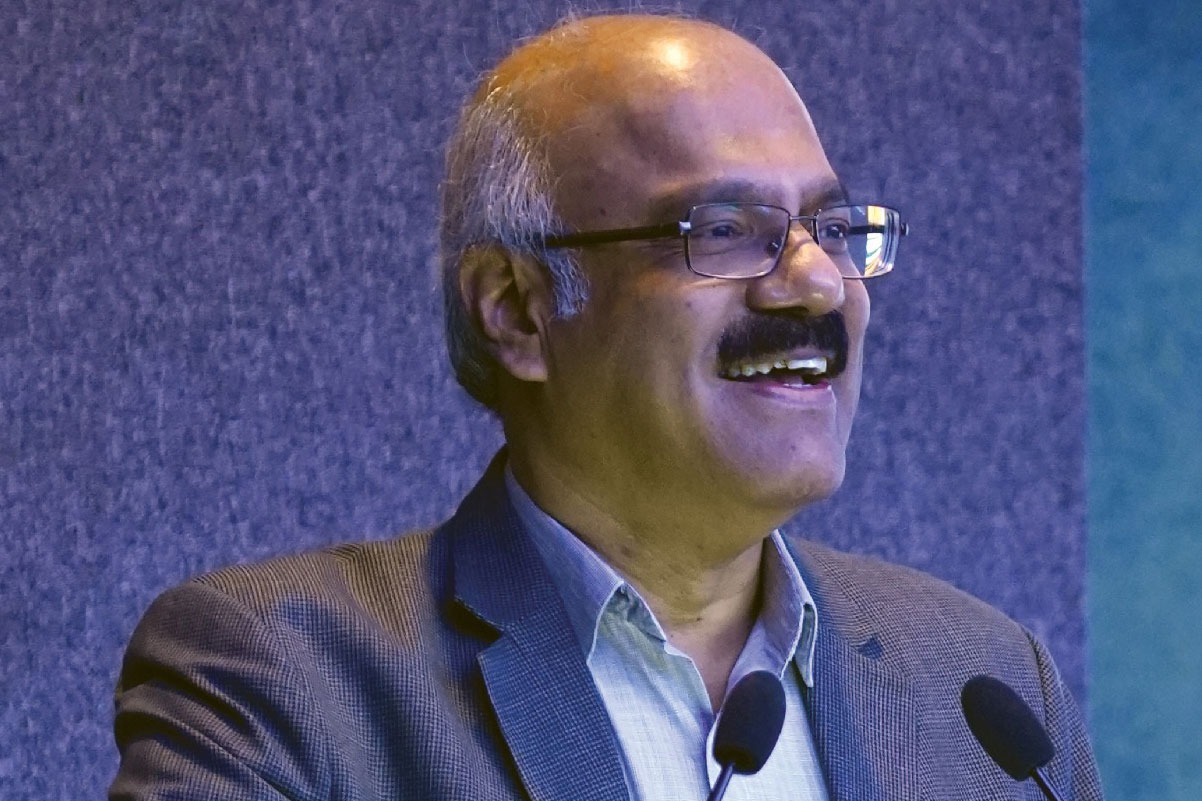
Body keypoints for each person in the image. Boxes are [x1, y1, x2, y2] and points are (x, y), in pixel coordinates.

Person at [109, 13, 1104, 801]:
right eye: (725, 229)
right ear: (516, 308)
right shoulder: (280, 677)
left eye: (831, 227)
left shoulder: (981, 686)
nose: (814, 282)